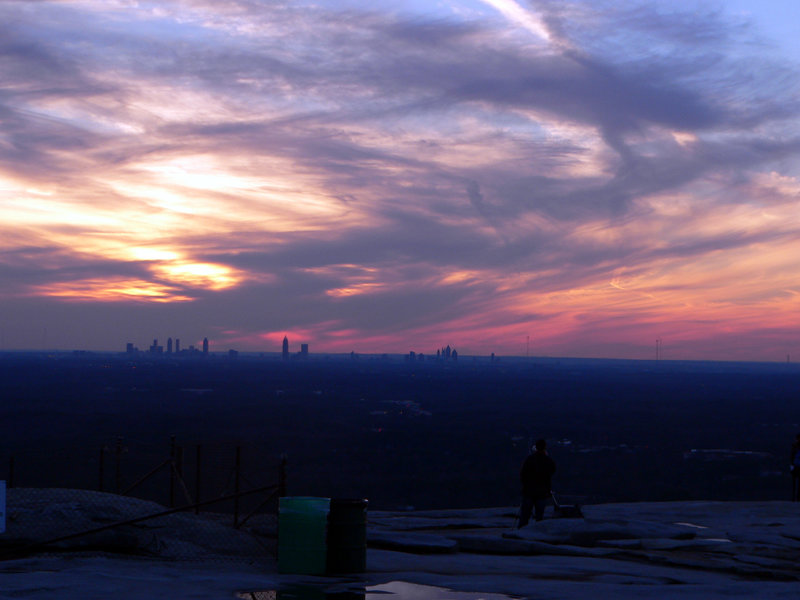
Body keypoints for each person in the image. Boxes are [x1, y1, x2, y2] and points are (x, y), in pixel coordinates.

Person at [518, 438, 556, 527]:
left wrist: (525, 485)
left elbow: (523, 474)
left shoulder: (530, 459)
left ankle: (521, 532)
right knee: (539, 517)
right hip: (542, 492)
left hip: (529, 491)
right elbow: (552, 470)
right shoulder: (548, 461)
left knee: (525, 515)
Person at [791, 434, 800, 501]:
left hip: (795, 465)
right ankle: (795, 497)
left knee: (795, 482)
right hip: (796, 465)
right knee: (795, 482)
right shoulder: (794, 446)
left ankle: (796, 497)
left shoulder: (794, 446)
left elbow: (791, 456)